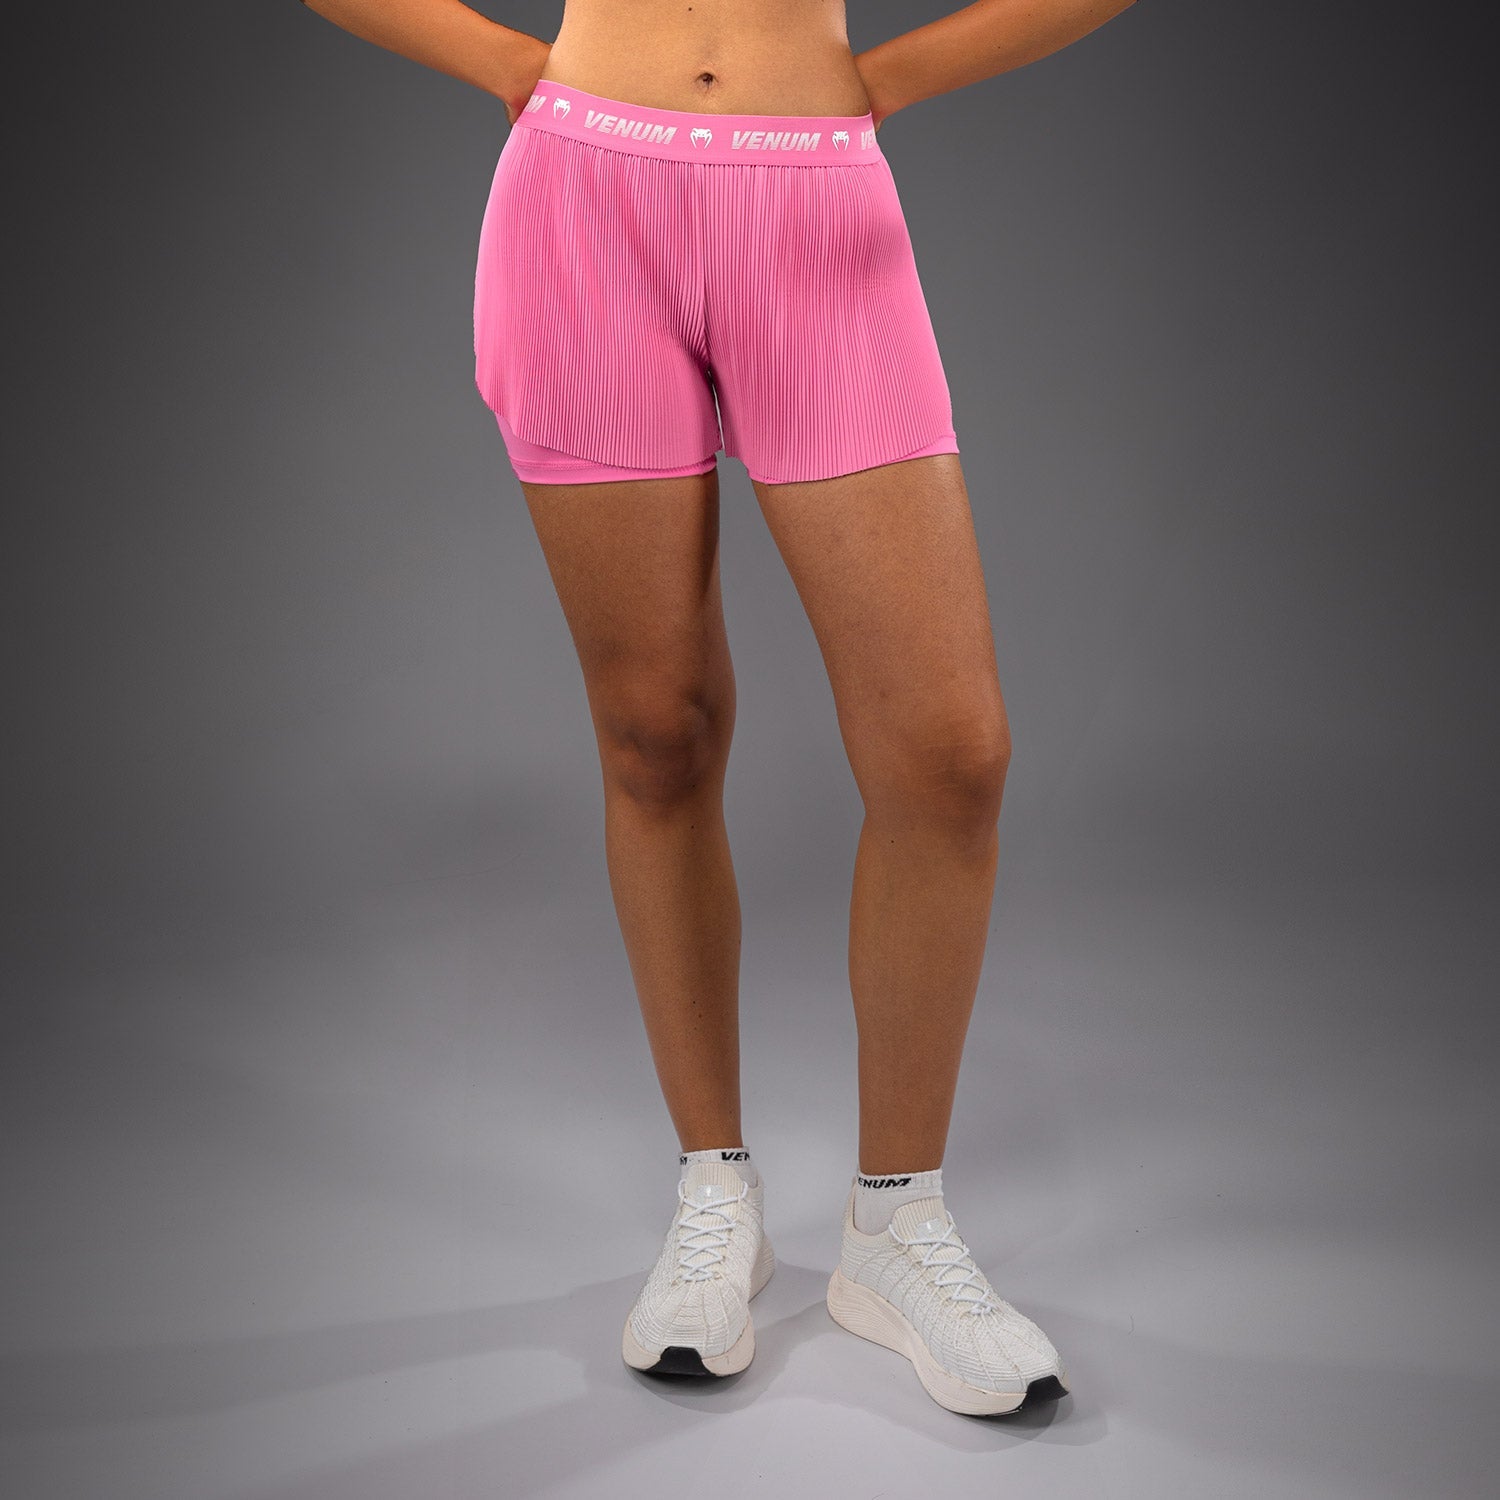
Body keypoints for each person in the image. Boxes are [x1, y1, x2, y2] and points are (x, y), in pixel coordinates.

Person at [300, 0, 1138, 1416]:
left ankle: (897, 1226)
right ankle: (714, 1192)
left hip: (813, 203)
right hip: (581, 207)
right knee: (657, 735)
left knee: (949, 758)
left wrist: (888, 78)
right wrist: (507, 63)